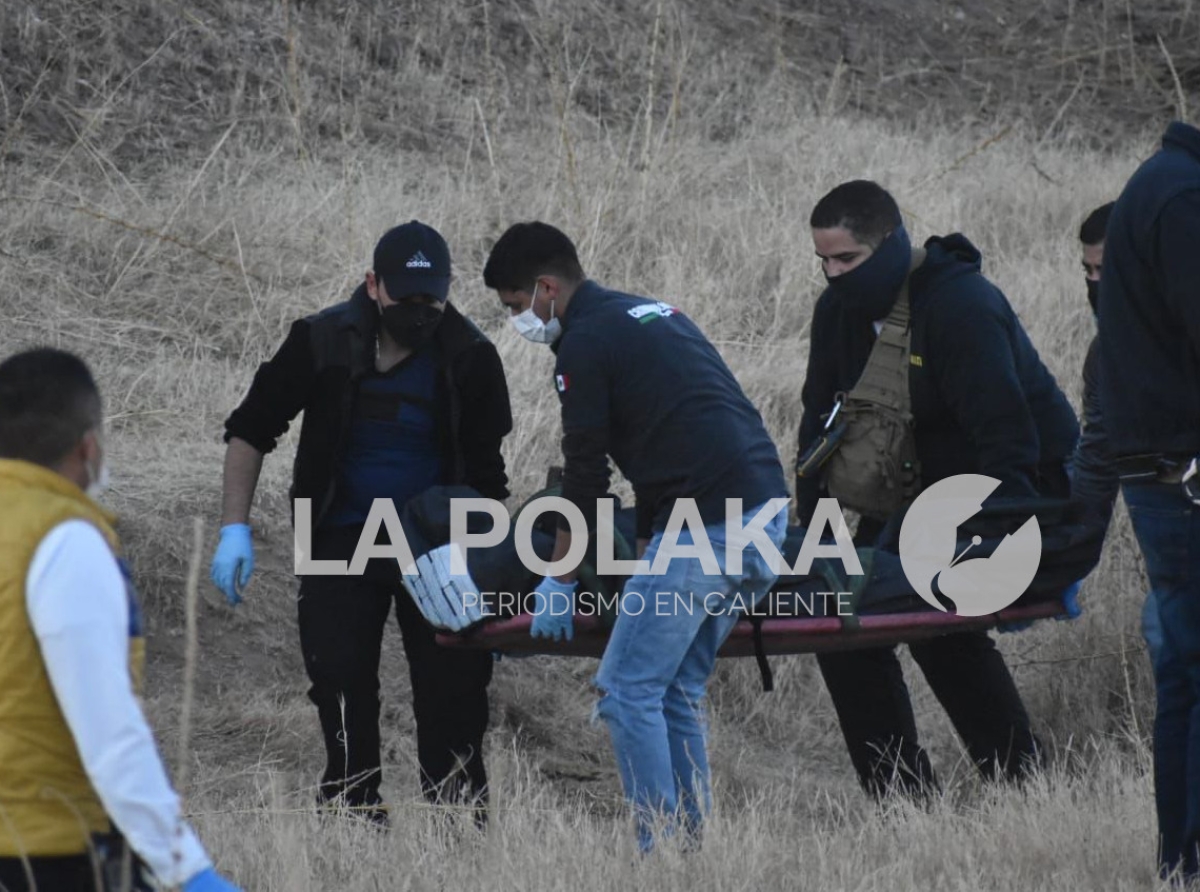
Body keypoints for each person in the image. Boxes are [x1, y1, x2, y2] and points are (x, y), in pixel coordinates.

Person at [483, 222, 789, 852]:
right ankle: (692, 855)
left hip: (706, 528)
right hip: (766, 517)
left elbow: (587, 476)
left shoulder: (585, 344)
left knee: (627, 693)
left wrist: (558, 578)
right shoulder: (653, 312)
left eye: (517, 307)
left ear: (546, 287)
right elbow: (685, 434)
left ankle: (660, 856)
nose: (519, 322)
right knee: (675, 690)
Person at [211, 220, 513, 826]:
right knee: (340, 682)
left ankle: (457, 824)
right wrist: (233, 528)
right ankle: (353, 814)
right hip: (338, 537)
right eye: (408, 297)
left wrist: (486, 567)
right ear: (374, 285)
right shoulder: (321, 340)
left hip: (436, 547)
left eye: (434, 299)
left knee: (453, 688)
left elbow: (487, 478)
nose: (421, 312)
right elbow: (251, 427)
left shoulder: (470, 356)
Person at [794, 180, 1080, 799]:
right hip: (913, 504)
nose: (832, 274)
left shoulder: (960, 307)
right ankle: (900, 801)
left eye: (847, 259)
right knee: (836, 618)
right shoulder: (836, 314)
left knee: (936, 621)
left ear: (891, 243)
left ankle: (1019, 785)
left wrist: (984, 552)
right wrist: (814, 543)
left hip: (1017, 501)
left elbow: (1010, 443)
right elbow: (817, 429)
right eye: (823, 260)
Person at [0, 348, 240, 892]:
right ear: (89, 448)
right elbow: (109, 732)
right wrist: (187, 869)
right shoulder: (66, 541)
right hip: (48, 855)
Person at [1096, 120, 1200, 882]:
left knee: (1186, 681)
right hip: (1184, 474)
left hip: (1162, 470)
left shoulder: (1160, 184)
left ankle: (1180, 863)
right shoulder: (1184, 197)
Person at [1068, 202, 1162, 668]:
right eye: (1088, 269)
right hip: (1175, 535)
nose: (1095, 282)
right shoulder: (1106, 353)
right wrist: (1065, 554)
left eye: (1107, 268)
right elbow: (1098, 456)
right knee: (1166, 632)